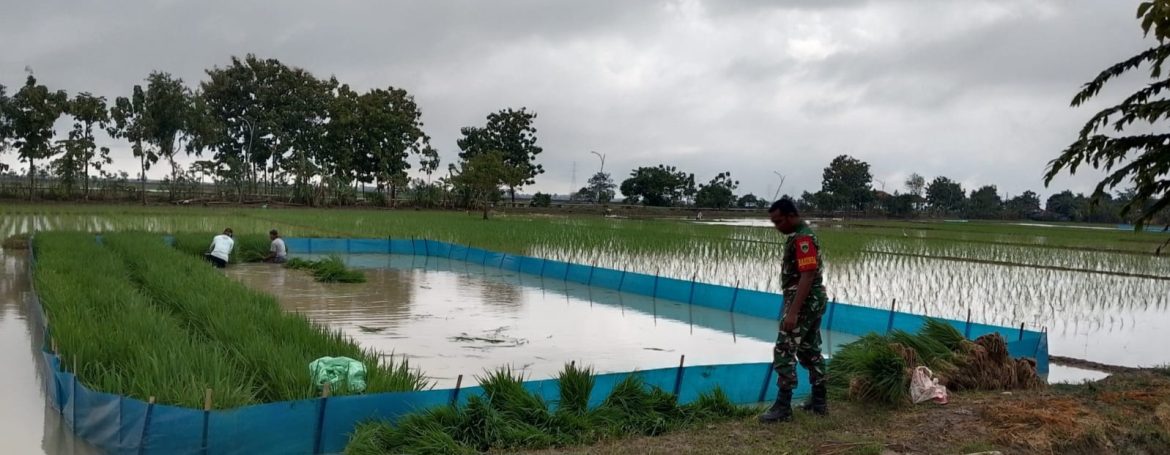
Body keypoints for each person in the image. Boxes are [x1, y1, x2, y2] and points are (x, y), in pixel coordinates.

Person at [759, 198, 828, 423]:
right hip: (812, 301)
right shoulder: (800, 235)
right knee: (809, 349)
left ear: (790, 216)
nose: (776, 226)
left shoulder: (803, 239)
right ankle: (819, 402)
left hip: (805, 302)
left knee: (784, 349)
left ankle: (783, 406)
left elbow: (807, 275)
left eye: (778, 221)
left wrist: (793, 312)